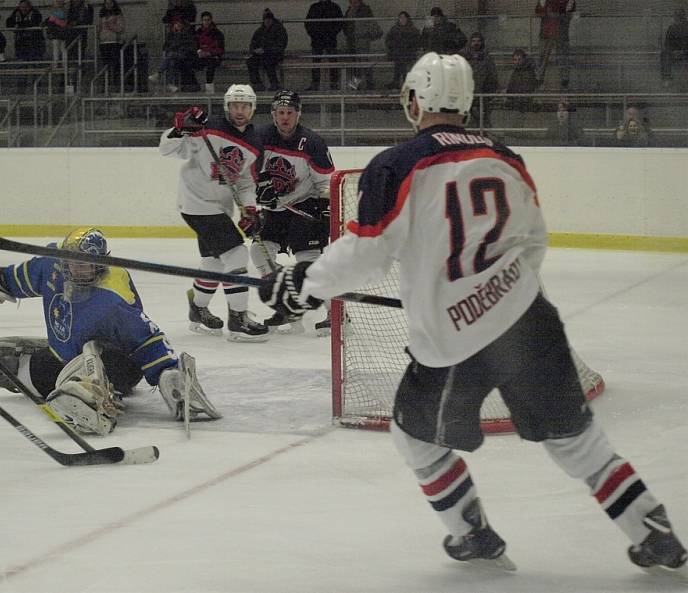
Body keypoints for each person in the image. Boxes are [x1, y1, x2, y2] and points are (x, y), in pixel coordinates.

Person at [258, 53, 688, 575]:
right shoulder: (506, 157)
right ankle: (653, 529)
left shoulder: (397, 164)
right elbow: (533, 241)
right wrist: (498, 290)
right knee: (575, 439)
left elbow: (367, 253)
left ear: (414, 100)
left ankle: (473, 534)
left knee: (414, 436)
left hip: (454, 343)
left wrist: (304, 286)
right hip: (531, 323)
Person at [0, 227, 220, 435]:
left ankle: (100, 397)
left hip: (118, 362)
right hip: (64, 357)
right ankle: (69, 383)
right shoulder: (52, 265)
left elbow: (146, 339)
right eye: (71, 262)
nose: (75, 269)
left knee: (94, 357)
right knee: (22, 369)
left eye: (83, 264)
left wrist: (167, 372)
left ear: (99, 264)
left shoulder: (112, 297)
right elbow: (16, 278)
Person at [159, 84, 269, 342]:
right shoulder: (207, 130)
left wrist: (250, 209)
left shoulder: (254, 144)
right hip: (196, 203)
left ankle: (198, 308)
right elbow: (168, 150)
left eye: (244, 106)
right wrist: (179, 130)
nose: (239, 111)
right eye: (234, 105)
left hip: (219, 207)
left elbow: (245, 183)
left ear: (252, 108)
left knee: (215, 261)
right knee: (237, 254)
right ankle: (238, 318)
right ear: (226, 107)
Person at [254, 90, 334, 336]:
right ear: (273, 115)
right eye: (281, 113)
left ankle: (338, 315)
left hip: (306, 205)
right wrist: (259, 191)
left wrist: (325, 209)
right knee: (259, 252)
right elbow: (250, 173)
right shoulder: (261, 137)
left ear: (298, 115)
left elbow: (327, 182)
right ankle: (287, 304)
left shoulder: (312, 143)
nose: (285, 118)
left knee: (309, 262)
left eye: (290, 113)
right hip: (277, 209)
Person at [459, 31, 498, 128]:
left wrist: (490, 91)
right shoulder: (463, 57)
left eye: (479, 41)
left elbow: (492, 75)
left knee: (482, 119)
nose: (476, 43)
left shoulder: (487, 58)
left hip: (482, 93)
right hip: (466, 93)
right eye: (474, 41)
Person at [535, 0, 576, 89]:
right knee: (542, 57)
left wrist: (552, 15)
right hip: (546, 33)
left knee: (563, 57)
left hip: (561, 34)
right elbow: (538, 13)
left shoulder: (569, 1)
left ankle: (564, 81)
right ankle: (538, 79)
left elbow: (568, 15)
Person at [304, 0, 344, 91]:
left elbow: (340, 23)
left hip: (323, 39)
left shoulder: (316, 7)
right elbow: (308, 23)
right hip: (322, 39)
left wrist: (315, 34)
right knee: (318, 63)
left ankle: (332, 83)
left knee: (330, 62)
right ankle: (323, 83)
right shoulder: (332, 6)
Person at [342, 0, 381, 90]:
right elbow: (346, 25)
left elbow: (370, 25)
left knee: (364, 64)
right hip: (352, 41)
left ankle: (368, 84)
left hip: (361, 42)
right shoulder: (350, 10)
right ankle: (356, 85)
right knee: (356, 65)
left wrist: (365, 36)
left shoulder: (364, 10)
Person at [247, 8, 288, 92]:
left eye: (269, 20)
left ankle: (274, 83)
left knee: (268, 61)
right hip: (263, 54)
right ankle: (257, 84)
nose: (267, 22)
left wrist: (265, 50)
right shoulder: (259, 31)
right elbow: (253, 43)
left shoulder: (279, 30)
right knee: (250, 61)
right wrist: (254, 50)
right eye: (266, 20)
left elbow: (281, 45)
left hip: (275, 54)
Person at [385, 11, 422, 89]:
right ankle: (397, 84)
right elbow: (388, 40)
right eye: (401, 18)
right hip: (398, 55)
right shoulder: (394, 29)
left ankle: (406, 86)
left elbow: (417, 42)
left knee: (406, 72)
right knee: (398, 69)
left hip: (408, 56)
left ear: (407, 19)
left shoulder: (412, 29)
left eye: (404, 18)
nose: (402, 20)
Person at [193, 11, 223, 94]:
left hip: (213, 57)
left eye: (208, 20)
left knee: (211, 64)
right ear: (202, 21)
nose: (206, 22)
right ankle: (193, 86)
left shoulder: (217, 33)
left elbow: (220, 49)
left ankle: (209, 88)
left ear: (211, 20)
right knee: (187, 63)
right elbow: (194, 45)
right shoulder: (198, 32)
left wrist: (210, 53)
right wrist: (199, 51)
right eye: (204, 20)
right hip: (201, 56)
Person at [505, 48, 541, 114]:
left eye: (519, 59)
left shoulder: (529, 72)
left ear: (524, 59)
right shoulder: (515, 72)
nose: (517, 62)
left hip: (525, 103)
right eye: (515, 60)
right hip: (517, 102)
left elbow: (528, 88)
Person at [98, 0, 125, 87]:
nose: (108, 5)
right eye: (107, 4)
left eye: (110, 3)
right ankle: (106, 82)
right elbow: (99, 27)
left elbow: (121, 28)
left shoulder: (118, 15)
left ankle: (116, 83)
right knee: (105, 64)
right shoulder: (102, 16)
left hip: (114, 41)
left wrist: (111, 26)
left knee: (115, 63)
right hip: (103, 42)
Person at [661, 9, 688, 86]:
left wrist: (683, 51)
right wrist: (674, 51)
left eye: (680, 17)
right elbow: (667, 43)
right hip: (675, 52)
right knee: (665, 53)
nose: (678, 19)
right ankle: (667, 78)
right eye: (677, 17)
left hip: (686, 52)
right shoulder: (672, 28)